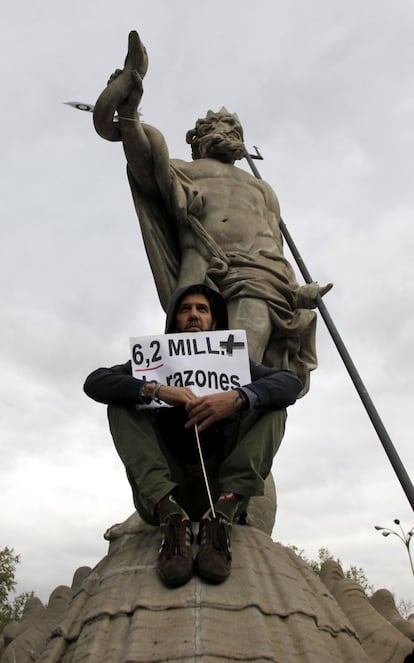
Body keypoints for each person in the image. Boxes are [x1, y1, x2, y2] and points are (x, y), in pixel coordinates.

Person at [92, 31, 332, 395]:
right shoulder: (185, 169)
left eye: (233, 128)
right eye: (219, 127)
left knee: (240, 367)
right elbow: (144, 164)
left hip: (260, 276)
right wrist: (127, 114)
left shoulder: (262, 188)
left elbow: (274, 241)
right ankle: (185, 431)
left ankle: (229, 434)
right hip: (202, 263)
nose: (229, 132)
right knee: (188, 357)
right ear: (200, 136)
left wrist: (296, 293)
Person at [84, 284, 302, 588]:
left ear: (214, 320)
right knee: (120, 402)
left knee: (274, 404)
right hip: (169, 487)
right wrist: (155, 390)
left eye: (202, 309)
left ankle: (222, 518)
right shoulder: (152, 364)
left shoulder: (237, 365)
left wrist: (237, 398)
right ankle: (171, 517)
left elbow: (291, 384)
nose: (194, 315)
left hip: (219, 487)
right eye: (185, 309)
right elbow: (95, 382)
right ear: (174, 319)